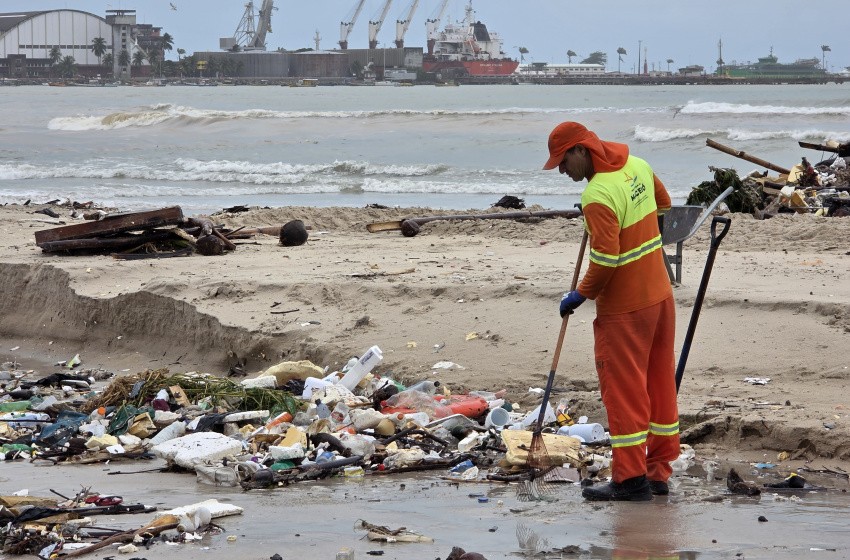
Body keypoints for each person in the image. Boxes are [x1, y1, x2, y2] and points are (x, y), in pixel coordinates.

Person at [542, 121, 679, 501]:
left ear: (582, 151)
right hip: (661, 297)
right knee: (659, 385)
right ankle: (658, 474)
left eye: (563, 161)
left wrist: (579, 295)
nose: (561, 170)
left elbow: (604, 260)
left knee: (625, 393)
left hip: (626, 309)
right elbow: (664, 204)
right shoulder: (637, 164)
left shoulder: (598, 196)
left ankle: (630, 481)